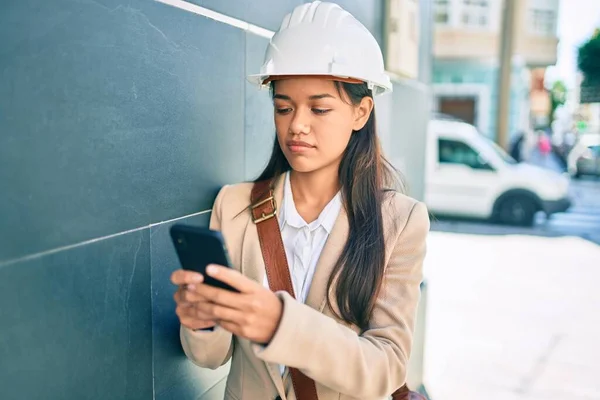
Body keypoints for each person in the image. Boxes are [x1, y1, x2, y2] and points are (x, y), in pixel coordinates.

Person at [170, 2, 430, 399]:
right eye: (283, 107)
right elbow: (210, 358)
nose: (297, 126)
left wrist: (280, 324)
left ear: (361, 112)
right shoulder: (234, 205)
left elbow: (387, 368)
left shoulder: (400, 220)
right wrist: (202, 323)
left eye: (320, 108)